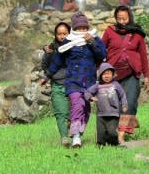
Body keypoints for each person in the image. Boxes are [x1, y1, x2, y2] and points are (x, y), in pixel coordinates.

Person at [45, 12, 106, 148]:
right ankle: (76, 137)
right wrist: (48, 75)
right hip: (73, 82)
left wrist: (91, 42)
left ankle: (79, 132)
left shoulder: (94, 39)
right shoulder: (68, 42)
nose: (82, 31)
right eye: (79, 28)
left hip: (89, 83)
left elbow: (102, 55)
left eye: (84, 28)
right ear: (74, 28)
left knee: (86, 109)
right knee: (76, 105)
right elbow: (57, 60)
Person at [101, 5, 149, 145]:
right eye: (119, 18)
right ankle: (111, 132)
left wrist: (146, 75)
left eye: (124, 18)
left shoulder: (137, 34)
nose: (122, 21)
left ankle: (121, 136)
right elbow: (100, 50)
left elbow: (143, 56)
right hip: (113, 76)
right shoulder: (110, 31)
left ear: (130, 18)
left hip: (132, 74)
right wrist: (98, 68)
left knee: (129, 104)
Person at [38, 21, 71, 146]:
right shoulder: (51, 49)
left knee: (73, 113)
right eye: (59, 34)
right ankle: (64, 137)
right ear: (55, 35)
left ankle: (74, 133)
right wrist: (51, 76)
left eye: (65, 33)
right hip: (57, 85)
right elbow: (44, 64)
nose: (62, 36)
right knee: (60, 112)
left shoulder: (75, 48)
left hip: (73, 85)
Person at [85, 62, 128, 147]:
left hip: (113, 114)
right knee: (101, 133)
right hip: (101, 115)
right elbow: (87, 92)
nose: (107, 76)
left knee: (112, 132)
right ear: (100, 75)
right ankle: (101, 147)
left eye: (109, 73)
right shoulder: (97, 86)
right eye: (104, 74)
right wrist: (91, 98)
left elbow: (122, 94)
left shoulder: (116, 85)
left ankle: (115, 144)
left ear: (113, 74)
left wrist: (124, 104)